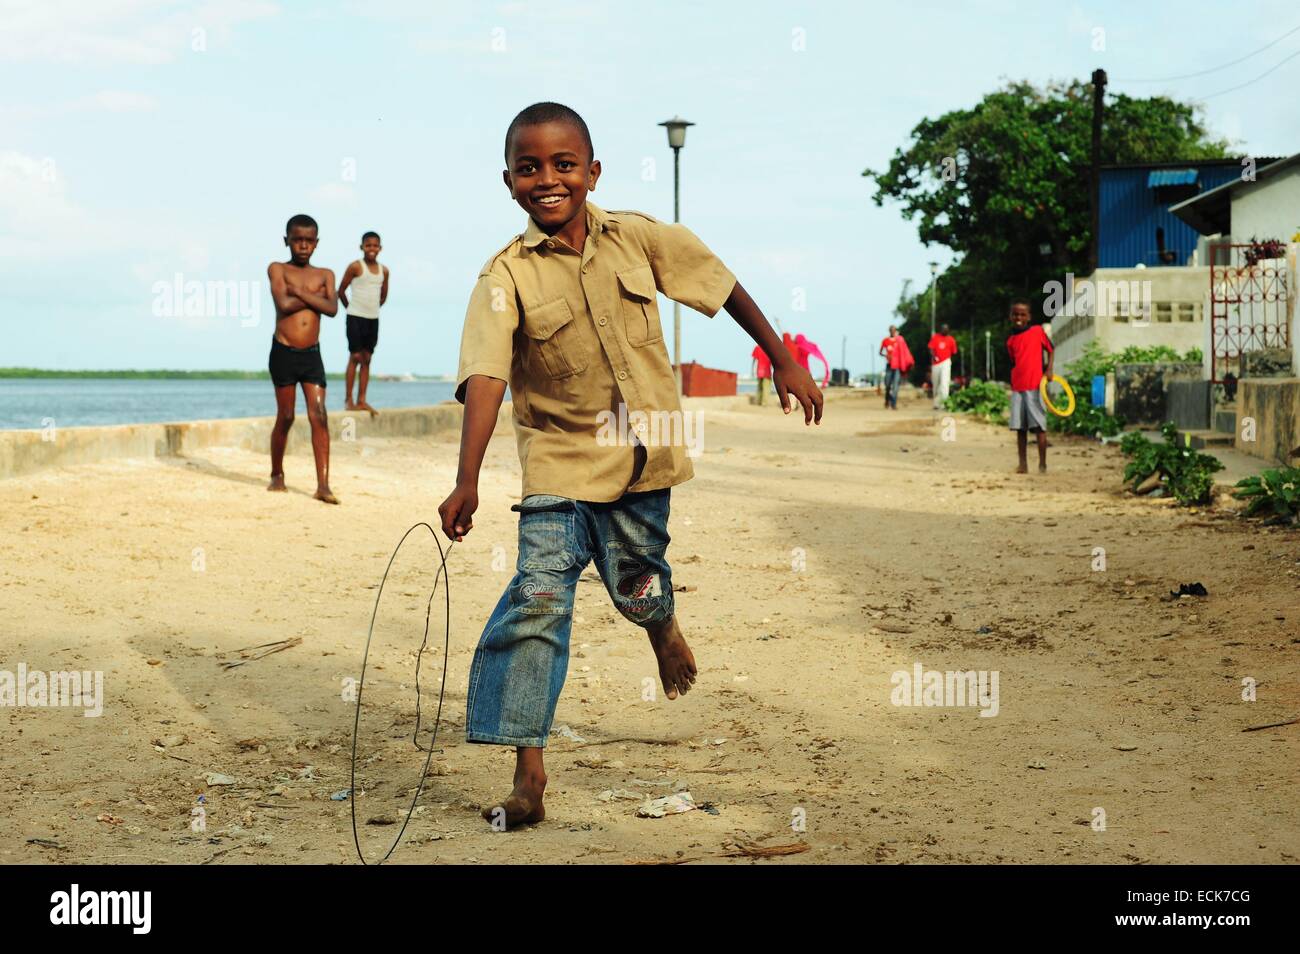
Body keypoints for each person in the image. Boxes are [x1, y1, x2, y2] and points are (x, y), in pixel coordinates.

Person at [438, 102, 823, 830]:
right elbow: (486, 376)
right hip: (556, 460)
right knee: (538, 598)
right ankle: (529, 774)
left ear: (592, 171)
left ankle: (659, 623)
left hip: (643, 453)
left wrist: (784, 360)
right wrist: (467, 478)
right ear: (509, 181)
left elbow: (721, 285)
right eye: (529, 168)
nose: (547, 180)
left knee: (637, 580)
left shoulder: (639, 237)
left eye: (562, 165)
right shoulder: (504, 275)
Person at [267, 213, 339, 504]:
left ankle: (323, 485)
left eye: (309, 241)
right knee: (286, 416)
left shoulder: (326, 274)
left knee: (318, 414)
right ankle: (277, 475)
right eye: (297, 240)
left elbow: (333, 308)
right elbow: (283, 304)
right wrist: (312, 296)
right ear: (287, 240)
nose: (303, 246)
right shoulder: (277, 268)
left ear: (317, 243)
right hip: (283, 352)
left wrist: (298, 290)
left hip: (312, 354)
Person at [337, 231, 389, 414]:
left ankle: (362, 400)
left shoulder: (384, 271)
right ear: (362, 247)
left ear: (380, 248)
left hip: (373, 319)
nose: (372, 249)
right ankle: (348, 400)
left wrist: (373, 308)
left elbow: (383, 295)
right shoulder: (355, 267)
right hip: (355, 317)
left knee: (367, 358)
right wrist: (350, 309)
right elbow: (341, 291)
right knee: (355, 357)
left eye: (375, 246)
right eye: (368, 245)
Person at [1006, 299, 1054, 474]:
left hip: (1035, 386)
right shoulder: (1010, 341)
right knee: (1020, 428)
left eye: (1022, 314)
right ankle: (1023, 464)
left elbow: (1050, 349)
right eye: (1015, 314)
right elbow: (1014, 363)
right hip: (1018, 388)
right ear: (1011, 317)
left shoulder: (1037, 331)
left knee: (1039, 427)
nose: (1019, 317)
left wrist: (1049, 369)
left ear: (1029, 317)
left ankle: (1042, 464)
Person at [878, 325, 914, 410]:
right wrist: (886, 355)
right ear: (889, 331)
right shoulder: (886, 341)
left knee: (896, 386)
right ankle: (887, 400)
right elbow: (881, 352)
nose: (892, 332)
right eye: (891, 330)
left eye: (894, 330)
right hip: (889, 366)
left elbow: (905, 352)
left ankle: (893, 403)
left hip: (897, 366)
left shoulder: (900, 340)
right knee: (887, 384)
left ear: (896, 331)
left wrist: (909, 362)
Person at [928, 323, 958, 410]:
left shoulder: (951, 339)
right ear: (940, 329)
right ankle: (936, 403)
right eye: (943, 329)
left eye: (946, 329)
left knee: (945, 383)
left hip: (946, 362)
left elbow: (954, 352)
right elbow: (931, 348)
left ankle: (944, 402)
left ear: (948, 330)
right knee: (936, 383)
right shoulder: (935, 337)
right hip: (936, 363)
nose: (944, 330)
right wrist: (934, 356)